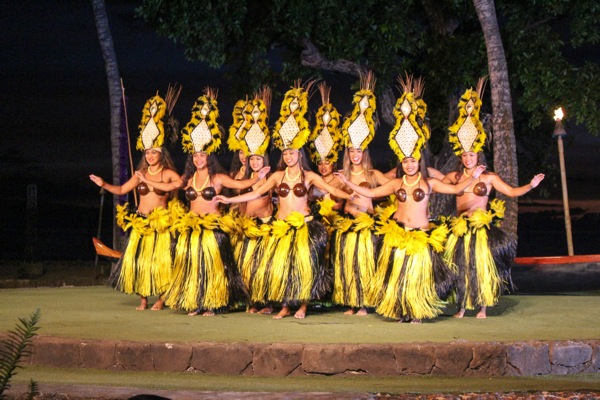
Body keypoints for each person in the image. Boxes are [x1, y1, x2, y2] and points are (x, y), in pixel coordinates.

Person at [335, 75, 487, 323]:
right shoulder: (396, 183)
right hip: (399, 232)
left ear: (419, 161)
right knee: (398, 275)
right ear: (402, 162)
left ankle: (416, 312)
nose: (408, 164)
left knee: (417, 277)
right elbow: (372, 193)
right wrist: (348, 183)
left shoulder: (430, 183)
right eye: (405, 161)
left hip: (420, 234)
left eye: (412, 161)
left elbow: (456, 189)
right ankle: (400, 310)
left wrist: (474, 178)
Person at [215, 81, 355, 320]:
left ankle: (301, 306)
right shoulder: (277, 176)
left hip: (303, 226)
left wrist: (350, 192)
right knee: (282, 268)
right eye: (285, 153)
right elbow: (255, 192)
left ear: (299, 154)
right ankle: (285, 306)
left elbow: (330, 189)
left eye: (292, 153)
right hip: (281, 228)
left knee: (302, 267)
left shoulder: (308, 176)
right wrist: (228, 200)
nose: (288, 156)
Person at [139, 88, 269, 316]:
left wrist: (256, 177)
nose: (198, 158)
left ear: (209, 156)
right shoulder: (187, 179)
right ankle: (197, 302)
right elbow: (171, 187)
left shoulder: (218, 178)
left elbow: (240, 185)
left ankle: (213, 304)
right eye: (195, 155)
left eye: (202, 155)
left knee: (212, 268)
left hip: (212, 229)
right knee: (193, 267)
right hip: (192, 228)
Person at [442, 79, 545, 319]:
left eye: (472, 154)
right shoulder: (453, 176)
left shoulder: (488, 177)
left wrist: (530, 185)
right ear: (461, 155)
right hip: (459, 229)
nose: (469, 158)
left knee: (480, 268)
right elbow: (435, 186)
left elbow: (510, 192)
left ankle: (482, 308)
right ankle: (460, 307)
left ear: (477, 154)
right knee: (460, 267)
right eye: (465, 155)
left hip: (480, 229)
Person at [89, 89, 182, 311]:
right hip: (140, 222)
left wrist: (151, 183)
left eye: (154, 153)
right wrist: (103, 184)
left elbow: (177, 185)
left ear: (161, 154)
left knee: (159, 263)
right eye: (147, 153)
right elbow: (121, 188)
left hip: (160, 225)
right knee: (139, 262)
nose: (149, 156)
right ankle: (143, 299)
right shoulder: (140, 173)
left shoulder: (167, 173)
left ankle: (161, 298)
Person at [329, 73, 388, 316]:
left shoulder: (373, 173)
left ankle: (364, 303)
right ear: (348, 152)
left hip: (366, 225)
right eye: (352, 150)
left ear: (364, 152)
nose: (355, 154)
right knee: (348, 265)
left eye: (359, 150)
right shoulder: (340, 174)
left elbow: (394, 184)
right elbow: (322, 190)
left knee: (364, 265)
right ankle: (352, 303)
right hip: (347, 224)